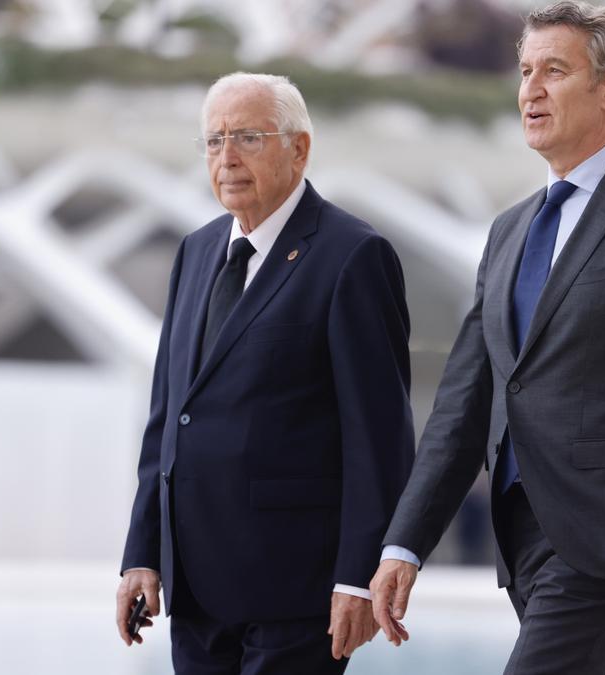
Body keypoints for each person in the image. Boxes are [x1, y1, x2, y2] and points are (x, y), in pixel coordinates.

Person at [369, 3, 605, 673]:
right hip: (523, 538)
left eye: (554, 71)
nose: (530, 91)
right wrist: (406, 543)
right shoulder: (507, 231)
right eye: (525, 72)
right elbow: (463, 405)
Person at [116, 72, 415, 675]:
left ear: (299, 149)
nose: (226, 158)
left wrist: (356, 578)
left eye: (248, 138)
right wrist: (142, 553)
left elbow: (379, 438)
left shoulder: (353, 255)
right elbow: (168, 418)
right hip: (195, 590)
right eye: (214, 140)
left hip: (296, 590)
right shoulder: (195, 251)